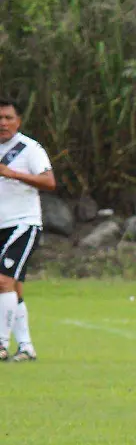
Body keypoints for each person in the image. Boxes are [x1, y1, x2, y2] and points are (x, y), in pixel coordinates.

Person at [0, 98, 56, 362]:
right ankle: (25, 347)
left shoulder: (29, 148)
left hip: (22, 223)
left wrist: (12, 174)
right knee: (14, 288)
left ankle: (0, 344)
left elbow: (49, 181)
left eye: (8, 118)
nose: (3, 123)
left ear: (18, 121)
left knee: (3, 282)